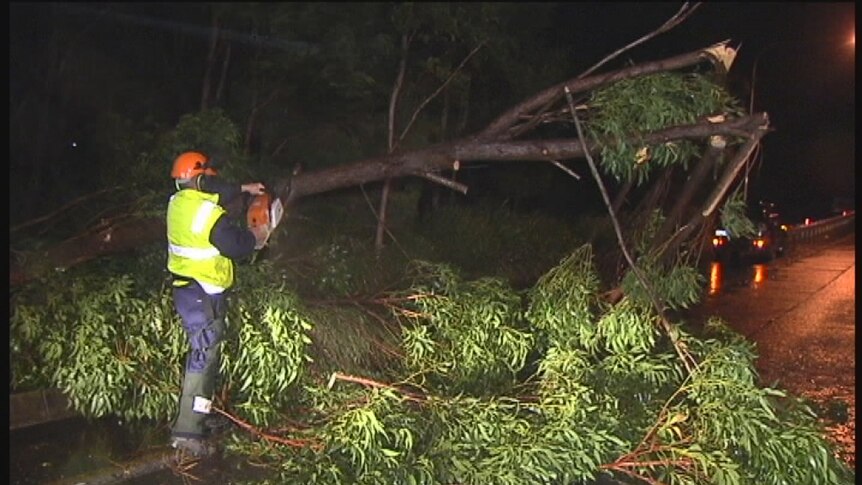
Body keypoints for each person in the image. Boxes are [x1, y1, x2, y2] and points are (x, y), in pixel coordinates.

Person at [165, 150, 269, 457]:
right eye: (207, 177)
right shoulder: (209, 215)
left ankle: (199, 415)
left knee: (206, 355)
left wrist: (245, 189)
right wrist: (257, 235)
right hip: (202, 293)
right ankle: (186, 431)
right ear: (199, 179)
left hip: (189, 290)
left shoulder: (178, 202)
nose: (213, 182)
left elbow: (216, 190)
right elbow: (235, 245)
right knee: (203, 357)